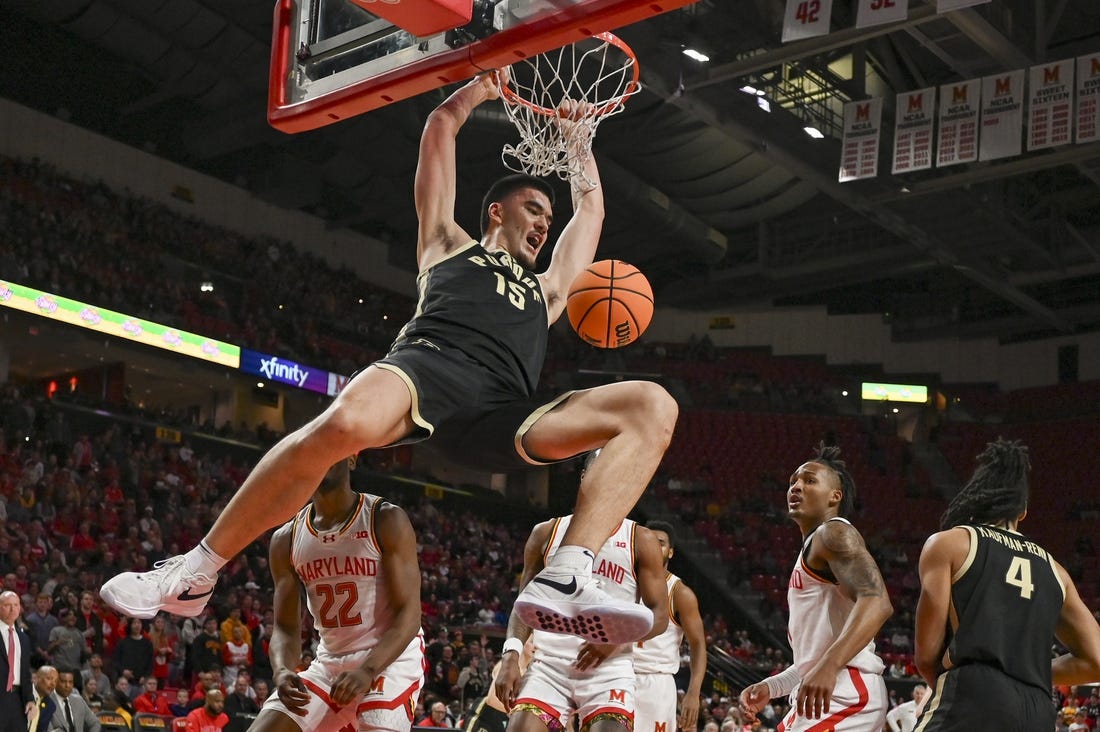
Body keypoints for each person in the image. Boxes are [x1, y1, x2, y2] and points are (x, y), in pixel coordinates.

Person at [100, 68, 678, 647]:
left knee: (653, 406)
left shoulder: (548, 292)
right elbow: (440, 126)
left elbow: (591, 214)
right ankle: (196, 570)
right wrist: (483, 85)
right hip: (427, 367)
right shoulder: (446, 242)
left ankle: (568, 571)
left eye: (548, 219)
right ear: (497, 213)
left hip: (503, 410)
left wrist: (580, 145)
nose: (544, 223)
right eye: (533, 209)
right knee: (343, 424)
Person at [913, 439, 1100, 730]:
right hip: (1038, 709)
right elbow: (1096, 660)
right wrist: (1025, 672)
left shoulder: (950, 544)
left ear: (976, 497)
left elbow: (926, 657)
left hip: (973, 695)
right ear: (1022, 510)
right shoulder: (1057, 571)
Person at [248, 456, 424, 732]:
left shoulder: (384, 518)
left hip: (390, 658)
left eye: (335, 447)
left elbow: (410, 614)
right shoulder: (287, 538)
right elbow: (284, 626)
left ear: (352, 459)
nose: (324, 453)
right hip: (330, 662)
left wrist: (367, 670)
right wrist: (282, 670)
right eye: (319, 448)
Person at [738, 444, 893, 731]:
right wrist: (772, 687)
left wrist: (830, 665)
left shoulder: (833, 532)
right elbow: (813, 658)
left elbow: (877, 602)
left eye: (809, 480)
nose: (796, 487)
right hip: (822, 696)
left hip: (846, 692)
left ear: (835, 496)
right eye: (793, 482)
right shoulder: (813, 548)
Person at [494, 509, 669, 732]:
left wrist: (614, 641)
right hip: (550, 664)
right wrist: (510, 656)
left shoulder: (639, 538)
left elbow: (660, 615)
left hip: (609, 667)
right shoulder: (547, 532)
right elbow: (525, 603)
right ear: (584, 478)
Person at [634, 521, 707, 732]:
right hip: (616, 673)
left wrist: (693, 693)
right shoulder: (624, 582)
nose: (655, 548)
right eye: (649, 542)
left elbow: (698, 645)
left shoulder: (680, 593)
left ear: (671, 552)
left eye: (661, 543)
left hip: (655, 684)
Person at [462, 639, 534, 732]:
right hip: (484, 717)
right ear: (523, 642)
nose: (536, 646)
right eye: (532, 641)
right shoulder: (508, 663)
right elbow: (492, 700)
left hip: (503, 720)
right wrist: (521, 711)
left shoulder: (532, 671)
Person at [0, 590, 36, 732]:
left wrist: (30, 699)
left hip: (17, 700)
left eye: (15, 605)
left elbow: (25, 674)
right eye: (7, 605)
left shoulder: (23, 638)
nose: (12, 609)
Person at [49, 667, 101, 732]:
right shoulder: (47, 702)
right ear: (55, 682)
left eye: (70, 682)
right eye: (63, 682)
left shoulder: (79, 701)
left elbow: (95, 723)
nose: (67, 685)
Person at [30, 666, 59, 732]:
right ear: (37, 678)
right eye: (49, 678)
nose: (53, 684)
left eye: (55, 681)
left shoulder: (50, 706)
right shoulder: (22, 695)